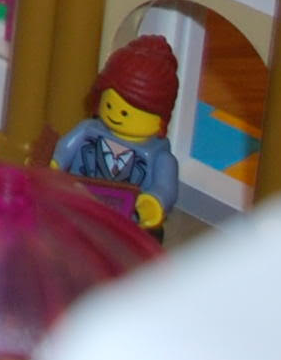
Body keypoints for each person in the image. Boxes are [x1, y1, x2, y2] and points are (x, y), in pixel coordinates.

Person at [49, 39, 184, 237]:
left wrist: (153, 202)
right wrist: (53, 164)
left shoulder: (160, 158)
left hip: (126, 224)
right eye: (110, 105)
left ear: (159, 117)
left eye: (126, 113)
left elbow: (165, 188)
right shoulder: (87, 131)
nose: (114, 115)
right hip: (81, 210)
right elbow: (63, 151)